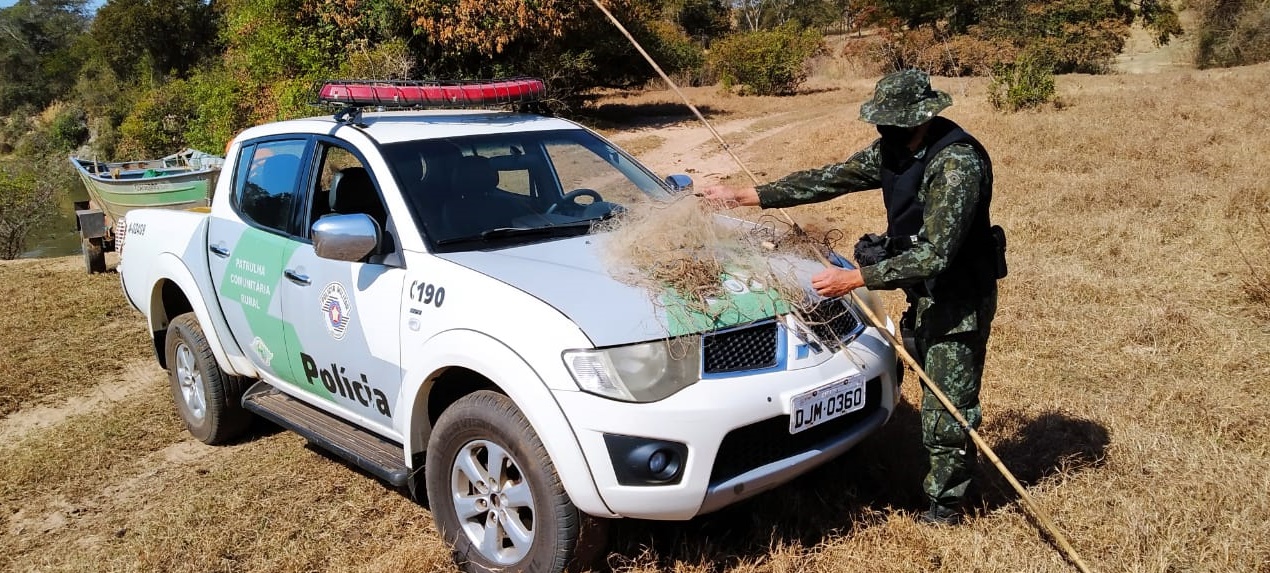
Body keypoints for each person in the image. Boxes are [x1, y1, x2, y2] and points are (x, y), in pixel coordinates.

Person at [702, 69, 1004, 525]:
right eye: (883, 122)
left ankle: (947, 505)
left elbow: (938, 255)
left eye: (895, 122)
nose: (886, 130)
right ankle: (943, 474)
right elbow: (829, 179)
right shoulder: (894, 148)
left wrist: (856, 279)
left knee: (948, 402)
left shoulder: (956, 164)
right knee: (931, 381)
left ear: (921, 117)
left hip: (958, 296)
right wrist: (744, 196)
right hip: (925, 293)